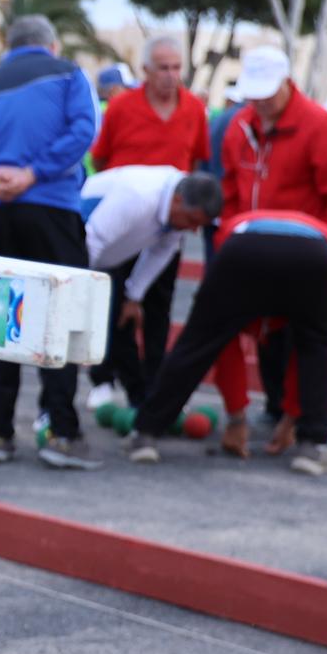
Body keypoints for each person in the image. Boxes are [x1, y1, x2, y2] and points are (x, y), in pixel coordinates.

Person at [0, 14, 99, 468]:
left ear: (9, 45)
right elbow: (82, 132)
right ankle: (60, 432)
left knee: (2, 321)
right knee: (62, 318)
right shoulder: (69, 74)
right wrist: (34, 172)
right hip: (54, 209)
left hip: (0, 215)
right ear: (50, 44)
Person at [125, 207, 327, 475]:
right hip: (314, 253)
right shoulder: (322, 236)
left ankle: (145, 435)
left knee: (200, 341)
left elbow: (225, 346)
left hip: (243, 249)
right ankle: (313, 446)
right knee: (318, 345)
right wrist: (292, 417)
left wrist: (236, 417)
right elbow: (304, 354)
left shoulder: (231, 228)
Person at [219, 46, 327, 448]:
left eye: (267, 94)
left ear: (286, 84)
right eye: (253, 95)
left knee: (304, 338)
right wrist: (227, 240)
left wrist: (326, 250)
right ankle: (266, 407)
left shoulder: (320, 126)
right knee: (250, 334)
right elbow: (230, 189)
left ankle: (299, 418)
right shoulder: (238, 127)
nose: (260, 103)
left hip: (303, 257)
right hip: (249, 254)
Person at [87, 35, 207, 409]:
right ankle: (103, 378)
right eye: (163, 68)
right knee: (111, 303)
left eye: (176, 68)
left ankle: (152, 387)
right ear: (145, 71)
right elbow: (102, 159)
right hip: (125, 220)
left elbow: (198, 164)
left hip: (170, 222)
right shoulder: (121, 107)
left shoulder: (194, 109)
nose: (171, 76)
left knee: (158, 305)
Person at [82, 166, 222, 411]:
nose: (192, 230)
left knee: (122, 319)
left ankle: (141, 402)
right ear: (178, 201)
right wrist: (79, 291)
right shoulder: (138, 197)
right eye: (192, 221)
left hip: (109, 256)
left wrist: (134, 297)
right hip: (81, 245)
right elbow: (91, 241)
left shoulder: (176, 210)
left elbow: (161, 251)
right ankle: (56, 410)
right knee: (95, 320)